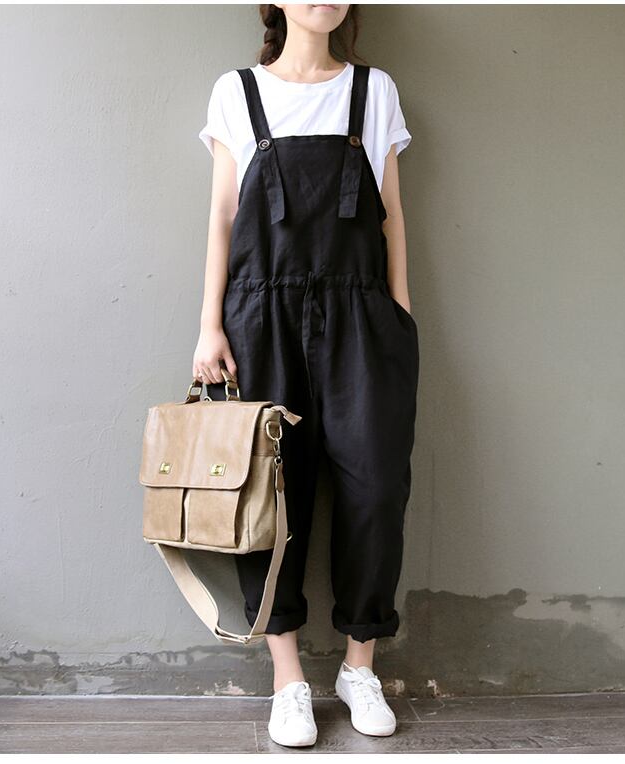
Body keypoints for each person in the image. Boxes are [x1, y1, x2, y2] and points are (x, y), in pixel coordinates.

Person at [193, 3, 419, 748]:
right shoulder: (237, 92)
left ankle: (359, 666)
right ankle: (287, 678)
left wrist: (399, 316)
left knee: (375, 489)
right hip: (261, 317)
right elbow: (223, 215)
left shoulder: (374, 91)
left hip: (362, 316)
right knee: (269, 495)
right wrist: (209, 326)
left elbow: (392, 213)